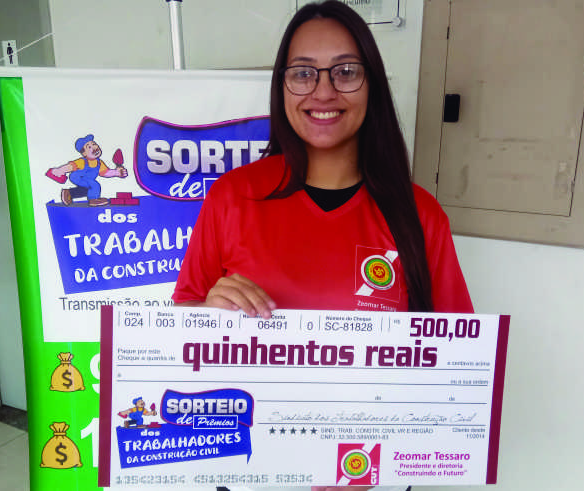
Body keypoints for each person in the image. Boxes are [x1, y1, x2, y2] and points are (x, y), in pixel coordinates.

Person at [174, 2, 472, 489]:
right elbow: (177, 331)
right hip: (253, 470)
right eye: (303, 73)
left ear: (372, 85)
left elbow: (456, 361)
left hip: (370, 474)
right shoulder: (232, 197)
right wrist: (208, 314)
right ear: (282, 86)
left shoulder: (420, 215)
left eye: (346, 71)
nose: (324, 91)